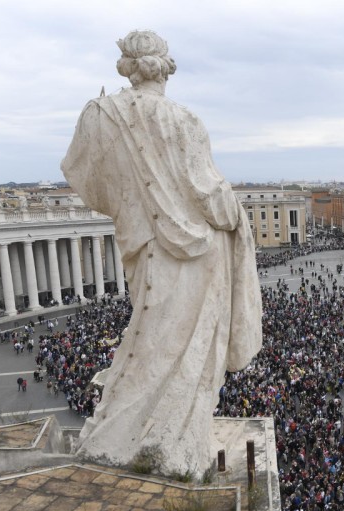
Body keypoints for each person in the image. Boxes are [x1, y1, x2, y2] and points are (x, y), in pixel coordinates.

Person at [62, 30, 263, 476]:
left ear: (128, 67)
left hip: (142, 242)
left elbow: (87, 180)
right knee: (183, 351)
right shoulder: (183, 120)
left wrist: (134, 202)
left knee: (150, 338)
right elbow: (210, 197)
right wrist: (238, 216)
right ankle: (171, 443)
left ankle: (143, 438)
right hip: (198, 258)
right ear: (165, 68)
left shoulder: (98, 114)